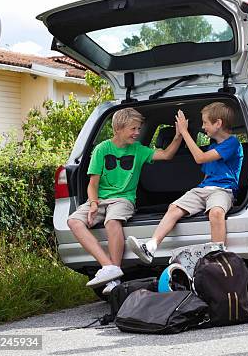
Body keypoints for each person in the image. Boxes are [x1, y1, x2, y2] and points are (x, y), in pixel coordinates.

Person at [68, 107, 183, 294]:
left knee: (112, 222)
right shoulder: (102, 149)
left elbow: (166, 155)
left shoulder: (138, 149)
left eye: (139, 128)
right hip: (100, 199)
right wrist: (94, 204)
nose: (137, 133)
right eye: (133, 129)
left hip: (123, 199)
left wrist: (178, 136)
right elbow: (93, 184)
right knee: (73, 221)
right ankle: (109, 268)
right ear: (118, 129)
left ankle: (114, 277)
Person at [128, 102, 243, 264]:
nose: (203, 127)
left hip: (223, 190)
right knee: (174, 208)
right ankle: (151, 246)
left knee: (216, 212)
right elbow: (207, 173)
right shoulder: (212, 146)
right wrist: (197, 191)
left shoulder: (233, 143)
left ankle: (218, 258)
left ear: (218, 123)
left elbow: (200, 158)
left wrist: (184, 132)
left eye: (205, 123)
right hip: (204, 189)